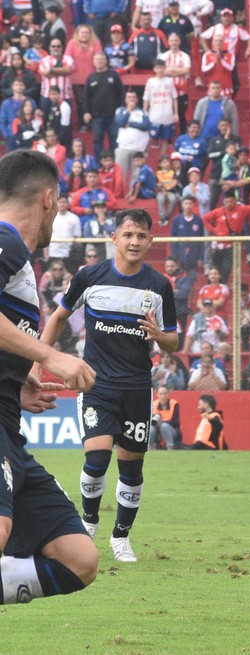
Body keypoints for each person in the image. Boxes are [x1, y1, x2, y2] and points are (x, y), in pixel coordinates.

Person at [38, 208, 178, 564]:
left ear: (150, 241)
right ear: (113, 238)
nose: (134, 242)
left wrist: (161, 335)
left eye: (141, 236)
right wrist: (40, 362)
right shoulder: (89, 276)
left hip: (136, 388)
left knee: (131, 467)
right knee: (97, 458)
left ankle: (121, 538)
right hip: (95, 383)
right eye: (128, 235)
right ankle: (88, 524)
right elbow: (58, 317)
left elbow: (173, 341)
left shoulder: (159, 286)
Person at [0, 149, 99, 605]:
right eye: (59, 206)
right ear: (48, 199)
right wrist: (50, 356)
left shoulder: (18, 259)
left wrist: (17, 384)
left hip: (9, 430)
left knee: (77, 558)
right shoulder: (7, 239)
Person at [149, 385, 181, 450]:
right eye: (161, 394)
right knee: (151, 428)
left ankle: (170, 447)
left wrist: (161, 422)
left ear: (168, 394)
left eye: (165, 393)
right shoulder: (154, 404)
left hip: (171, 430)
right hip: (156, 429)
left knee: (164, 426)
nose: (163, 396)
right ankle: (149, 448)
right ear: (157, 394)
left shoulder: (174, 404)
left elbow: (175, 422)